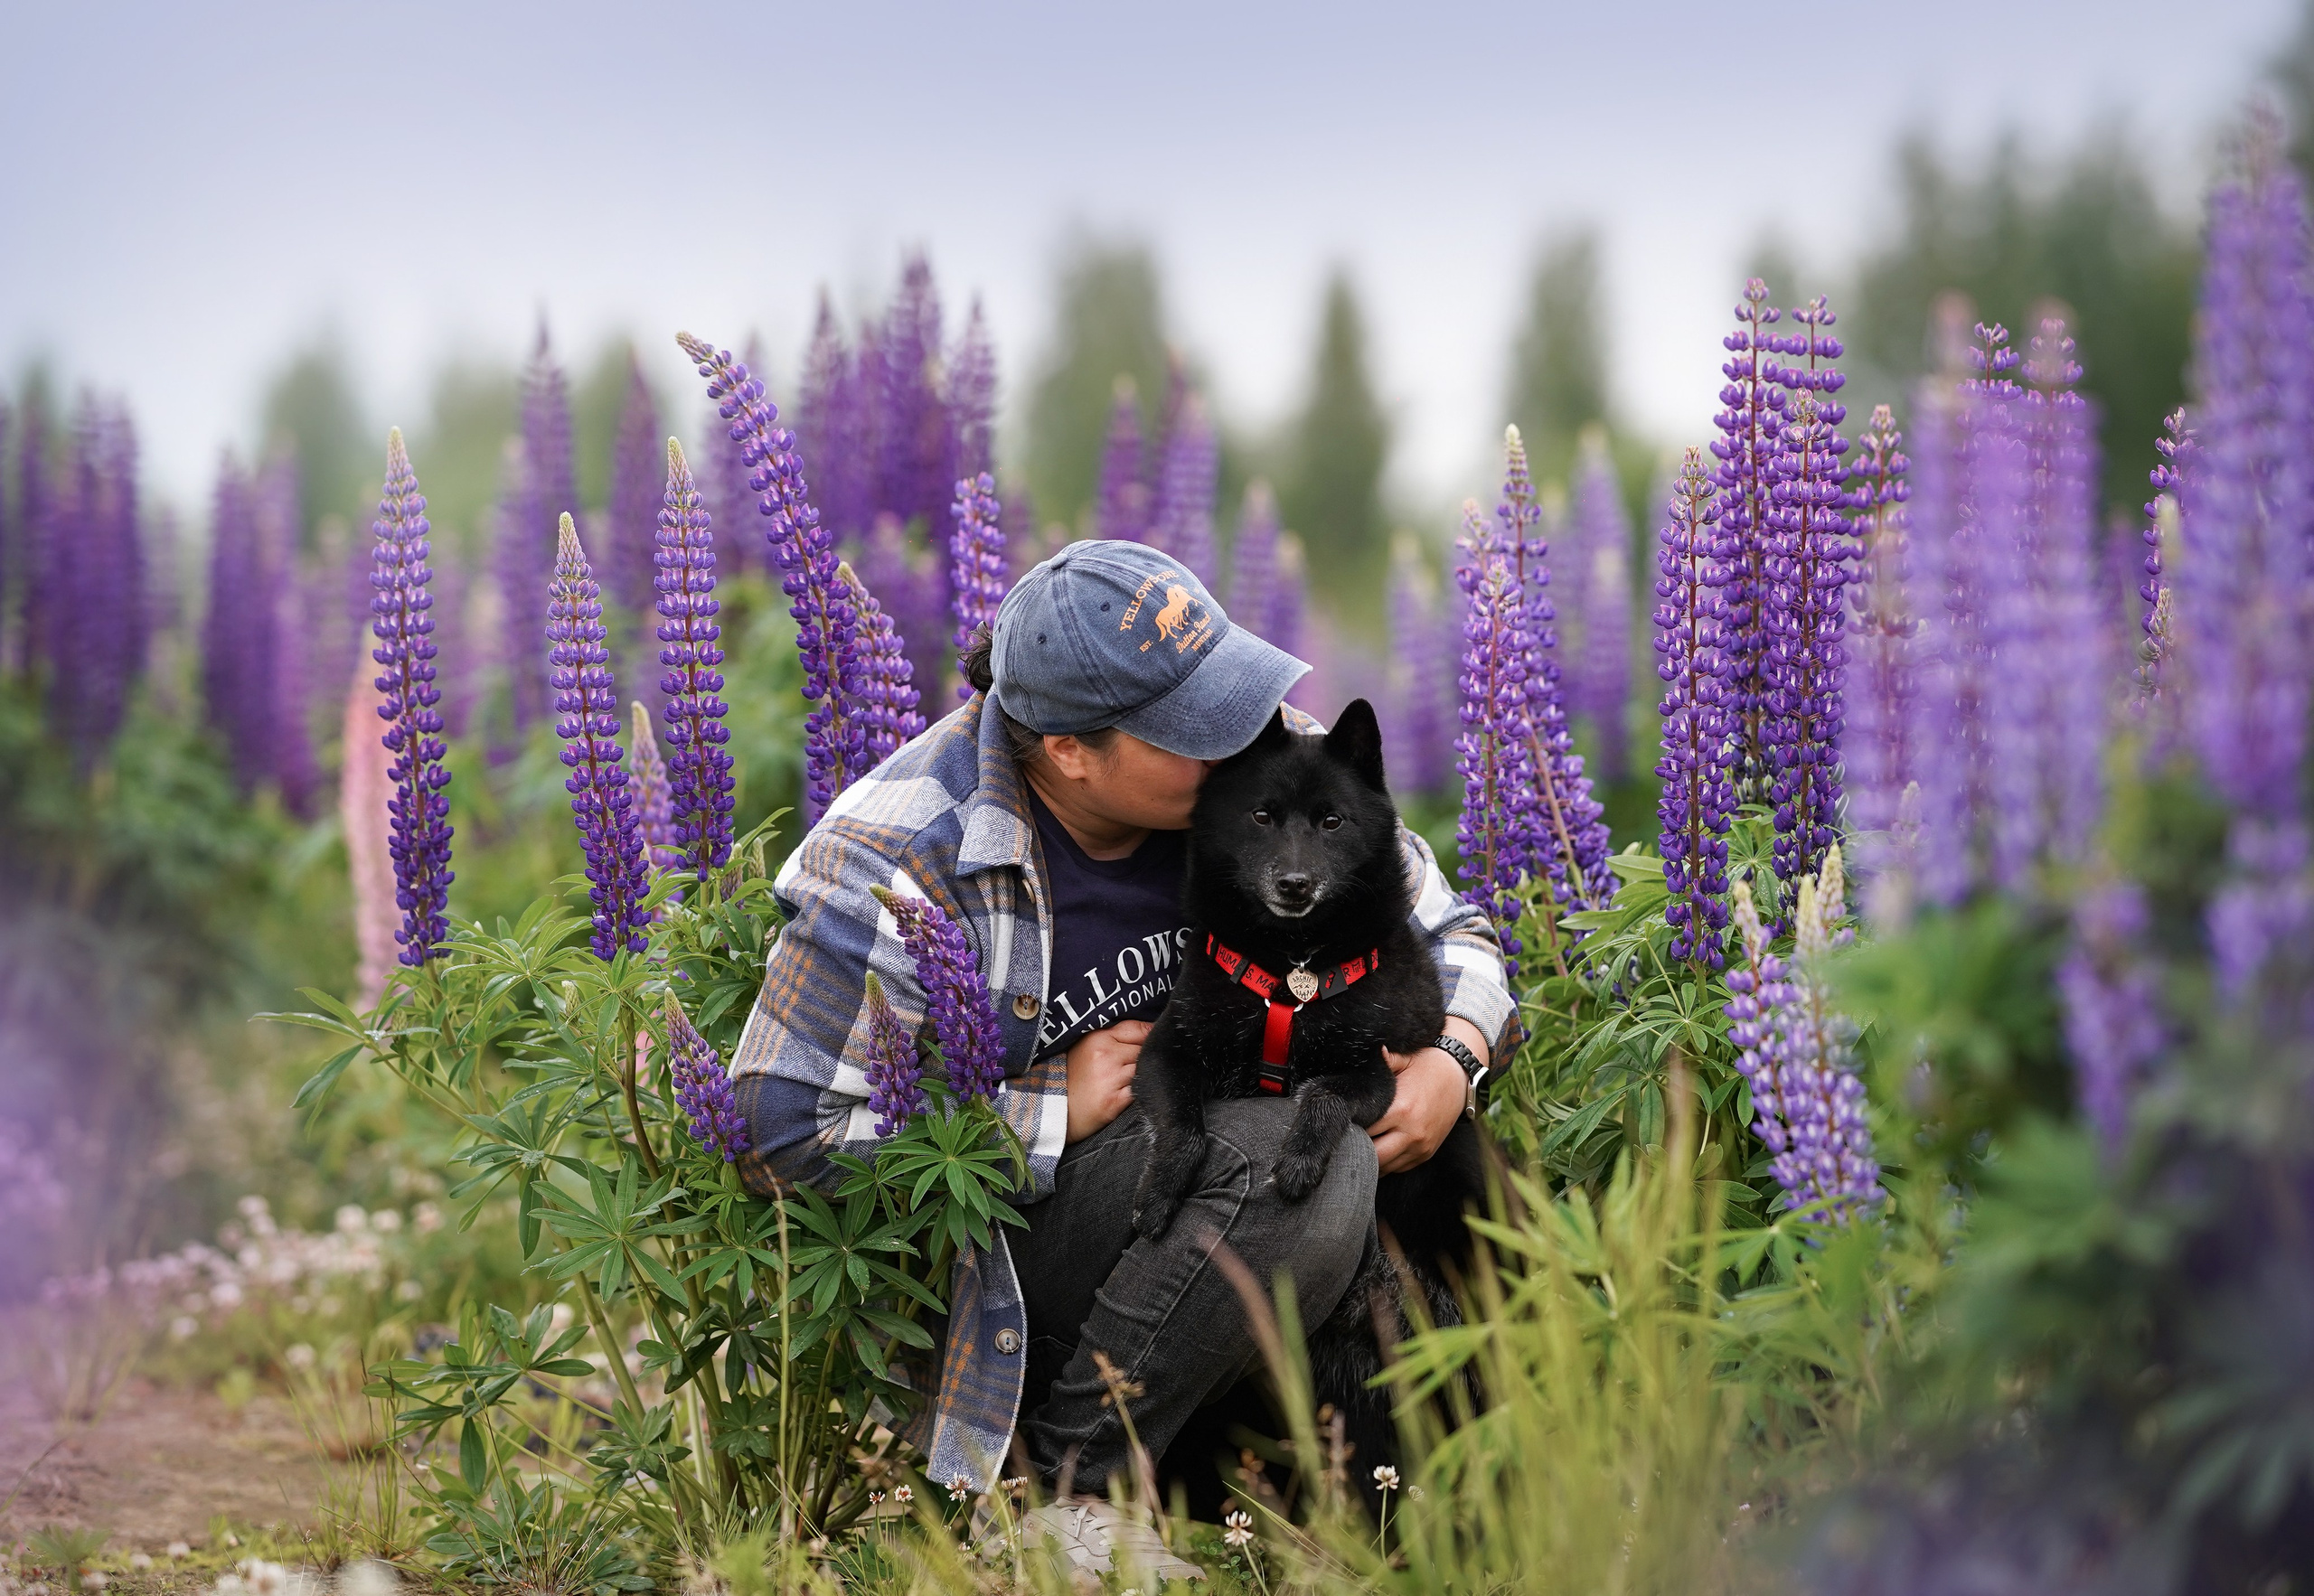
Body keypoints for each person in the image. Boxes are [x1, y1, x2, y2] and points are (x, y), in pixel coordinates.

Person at [726, 540, 1513, 1525]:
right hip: (1025, 1256)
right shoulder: (901, 848)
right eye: (1196, 725)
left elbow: (1457, 937)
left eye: (1232, 695)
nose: (1241, 737)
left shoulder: (1265, 761)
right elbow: (773, 1121)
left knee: (1427, 1170)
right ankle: (1060, 1492)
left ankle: (1428, 1479)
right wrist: (1041, 1107)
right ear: (1068, 750)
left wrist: (1454, 1057)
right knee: (1312, 1165)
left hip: (1233, 1217)